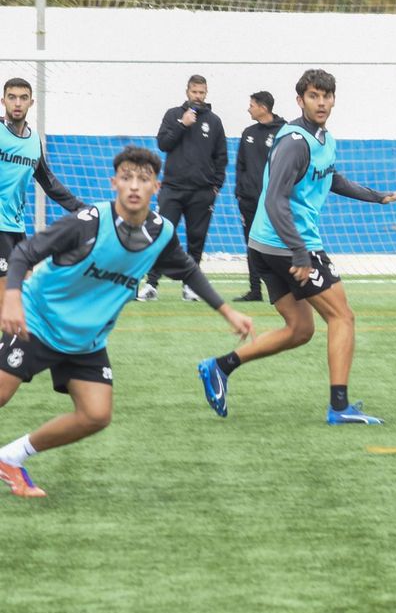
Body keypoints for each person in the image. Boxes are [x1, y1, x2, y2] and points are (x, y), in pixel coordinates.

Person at [0, 146, 253, 498]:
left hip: (86, 340)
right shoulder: (88, 222)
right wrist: (11, 298)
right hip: (39, 321)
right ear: (114, 183)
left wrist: (227, 311)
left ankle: (10, 459)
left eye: (143, 179)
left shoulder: (161, 233)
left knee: (96, 414)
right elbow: (25, 253)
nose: (135, 186)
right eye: (127, 178)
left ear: (156, 187)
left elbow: (188, 270)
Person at [196, 69, 396, 426]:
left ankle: (220, 366)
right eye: (313, 96)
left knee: (300, 330)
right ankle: (339, 408)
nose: (321, 102)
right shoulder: (294, 141)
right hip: (288, 245)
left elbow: (331, 178)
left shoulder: (324, 139)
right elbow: (276, 200)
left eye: (326, 96)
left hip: (268, 245)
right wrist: (299, 254)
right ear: (300, 101)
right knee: (342, 317)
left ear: (334, 99)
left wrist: (378, 197)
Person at [140, 74, 227, 302]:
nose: (198, 96)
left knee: (196, 239)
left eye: (202, 92)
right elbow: (163, 144)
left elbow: (221, 156)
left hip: (202, 192)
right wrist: (182, 124)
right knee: (161, 234)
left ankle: (190, 286)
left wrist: (216, 186)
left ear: (206, 93)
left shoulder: (215, 121)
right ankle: (151, 284)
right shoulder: (173, 115)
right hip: (173, 189)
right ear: (187, 91)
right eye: (194, 92)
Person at [0, 76, 85, 270]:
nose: (18, 103)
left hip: (16, 226)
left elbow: (49, 183)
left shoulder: (33, 141)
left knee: (23, 286)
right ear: (3, 101)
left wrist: (81, 208)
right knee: (7, 291)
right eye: (12, 97)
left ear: (31, 102)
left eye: (23, 97)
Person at [232, 91, 284, 303]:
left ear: (263, 107)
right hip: (249, 201)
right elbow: (241, 165)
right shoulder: (248, 132)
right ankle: (255, 290)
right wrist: (240, 191)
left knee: (278, 245)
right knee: (252, 246)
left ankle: (284, 289)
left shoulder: (284, 131)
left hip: (274, 202)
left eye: (251, 105)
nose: (248, 108)